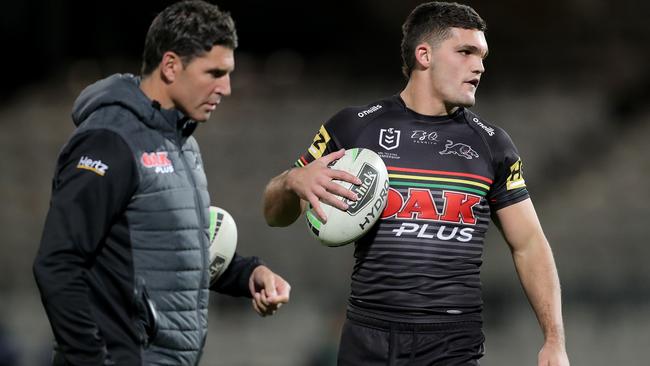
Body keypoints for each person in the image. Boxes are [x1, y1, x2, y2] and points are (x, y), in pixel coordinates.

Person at [263, 2, 568, 365]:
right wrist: (291, 181)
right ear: (424, 54)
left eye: (483, 55)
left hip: (451, 343)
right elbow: (275, 215)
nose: (480, 66)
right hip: (368, 336)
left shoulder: (492, 144)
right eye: (466, 52)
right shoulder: (355, 127)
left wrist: (554, 340)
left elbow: (530, 243)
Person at [33, 1, 290, 365]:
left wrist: (247, 274)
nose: (226, 88)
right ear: (171, 65)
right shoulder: (110, 141)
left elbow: (169, 251)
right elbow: (57, 262)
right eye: (214, 72)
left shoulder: (183, 142)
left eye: (228, 73)